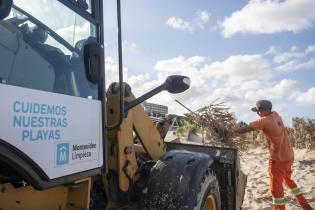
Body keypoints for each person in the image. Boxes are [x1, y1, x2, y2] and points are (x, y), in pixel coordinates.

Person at [234, 100, 313, 210]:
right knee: (288, 180)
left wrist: (230, 132)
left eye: (259, 111)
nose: (258, 113)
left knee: (276, 190)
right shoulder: (275, 114)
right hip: (289, 155)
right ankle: (306, 206)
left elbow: (246, 129)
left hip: (278, 160)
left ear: (267, 110)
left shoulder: (265, 121)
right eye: (257, 111)